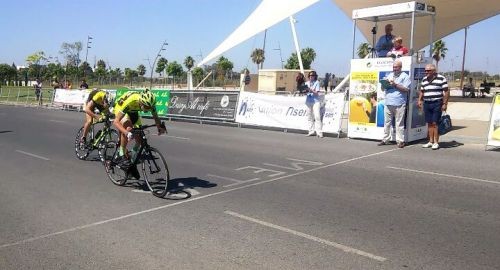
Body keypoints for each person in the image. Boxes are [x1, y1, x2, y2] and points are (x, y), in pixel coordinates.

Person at [113, 90, 166, 166]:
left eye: (149, 107)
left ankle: (133, 157)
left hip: (134, 111)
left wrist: (159, 127)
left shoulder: (150, 104)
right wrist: (126, 133)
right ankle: (121, 153)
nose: (148, 109)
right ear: (141, 102)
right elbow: (115, 122)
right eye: (146, 107)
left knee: (140, 139)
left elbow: (156, 117)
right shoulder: (131, 101)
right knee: (128, 128)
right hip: (121, 107)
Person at [378, 60, 411, 148]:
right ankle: (385, 139)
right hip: (388, 102)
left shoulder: (405, 76)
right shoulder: (390, 75)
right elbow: (384, 88)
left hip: (399, 103)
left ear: (400, 67)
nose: (394, 69)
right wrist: (383, 84)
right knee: (387, 122)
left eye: (396, 67)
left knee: (399, 123)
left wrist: (395, 85)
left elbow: (406, 89)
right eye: (393, 67)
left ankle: (400, 141)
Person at [418, 64, 449, 150]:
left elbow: (446, 92)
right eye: (425, 71)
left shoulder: (441, 78)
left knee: (435, 123)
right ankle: (430, 141)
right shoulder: (424, 79)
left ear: (434, 71)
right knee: (429, 123)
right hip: (427, 103)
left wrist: (445, 103)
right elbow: (422, 91)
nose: (426, 72)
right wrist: (420, 100)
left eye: (428, 71)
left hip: (437, 103)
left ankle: (436, 142)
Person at [305, 71, 325, 138]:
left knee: (317, 116)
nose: (311, 77)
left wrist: (310, 90)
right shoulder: (306, 83)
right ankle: (311, 131)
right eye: (310, 75)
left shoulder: (317, 83)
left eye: (313, 75)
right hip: (308, 101)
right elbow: (305, 92)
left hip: (316, 101)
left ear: (315, 76)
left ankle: (319, 132)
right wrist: (303, 90)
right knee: (309, 117)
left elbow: (317, 93)